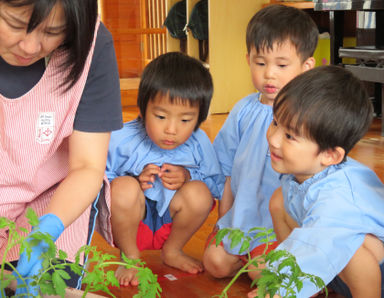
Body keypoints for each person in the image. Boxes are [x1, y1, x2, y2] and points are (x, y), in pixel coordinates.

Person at [0, 0, 123, 294]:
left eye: (53, 32)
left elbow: (87, 167)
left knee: (45, 282)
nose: (30, 47)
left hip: (52, 199)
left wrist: (48, 230)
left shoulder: (92, 45)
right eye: (15, 24)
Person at [203, 4, 318, 280]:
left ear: (306, 66)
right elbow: (228, 172)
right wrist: (226, 222)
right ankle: (246, 255)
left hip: (279, 225)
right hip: (242, 219)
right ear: (248, 60)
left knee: (261, 274)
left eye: (281, 65)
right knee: (214, 263)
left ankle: (270, 262)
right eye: (260, 62)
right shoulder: (243, 110)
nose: (269, 74)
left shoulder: (310, 116)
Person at [248, 65, 384, 297]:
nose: (274, 139)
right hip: (332, 260)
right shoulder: (308, 170)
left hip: (375, 278)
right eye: (275, 123)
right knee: (279, 200)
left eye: (290, 136)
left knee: (351, 245)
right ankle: (312, 284)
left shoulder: (338, 197)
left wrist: (282, 290)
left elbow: (319, 242)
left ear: (330, 155)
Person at [106, 52, 225, 286]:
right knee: (122, 189)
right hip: (130, 223)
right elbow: (99, 180)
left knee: (200, 193)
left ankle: (172, 250)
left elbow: (216, 184)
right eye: (160, 116)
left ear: (200, 118)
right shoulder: (120, 137)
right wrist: (133, 178)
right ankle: (130, 258)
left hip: (171, 222)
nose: (171, 129)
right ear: (142, 107)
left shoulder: (199, 142)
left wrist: (189, 176)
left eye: (185, 120)